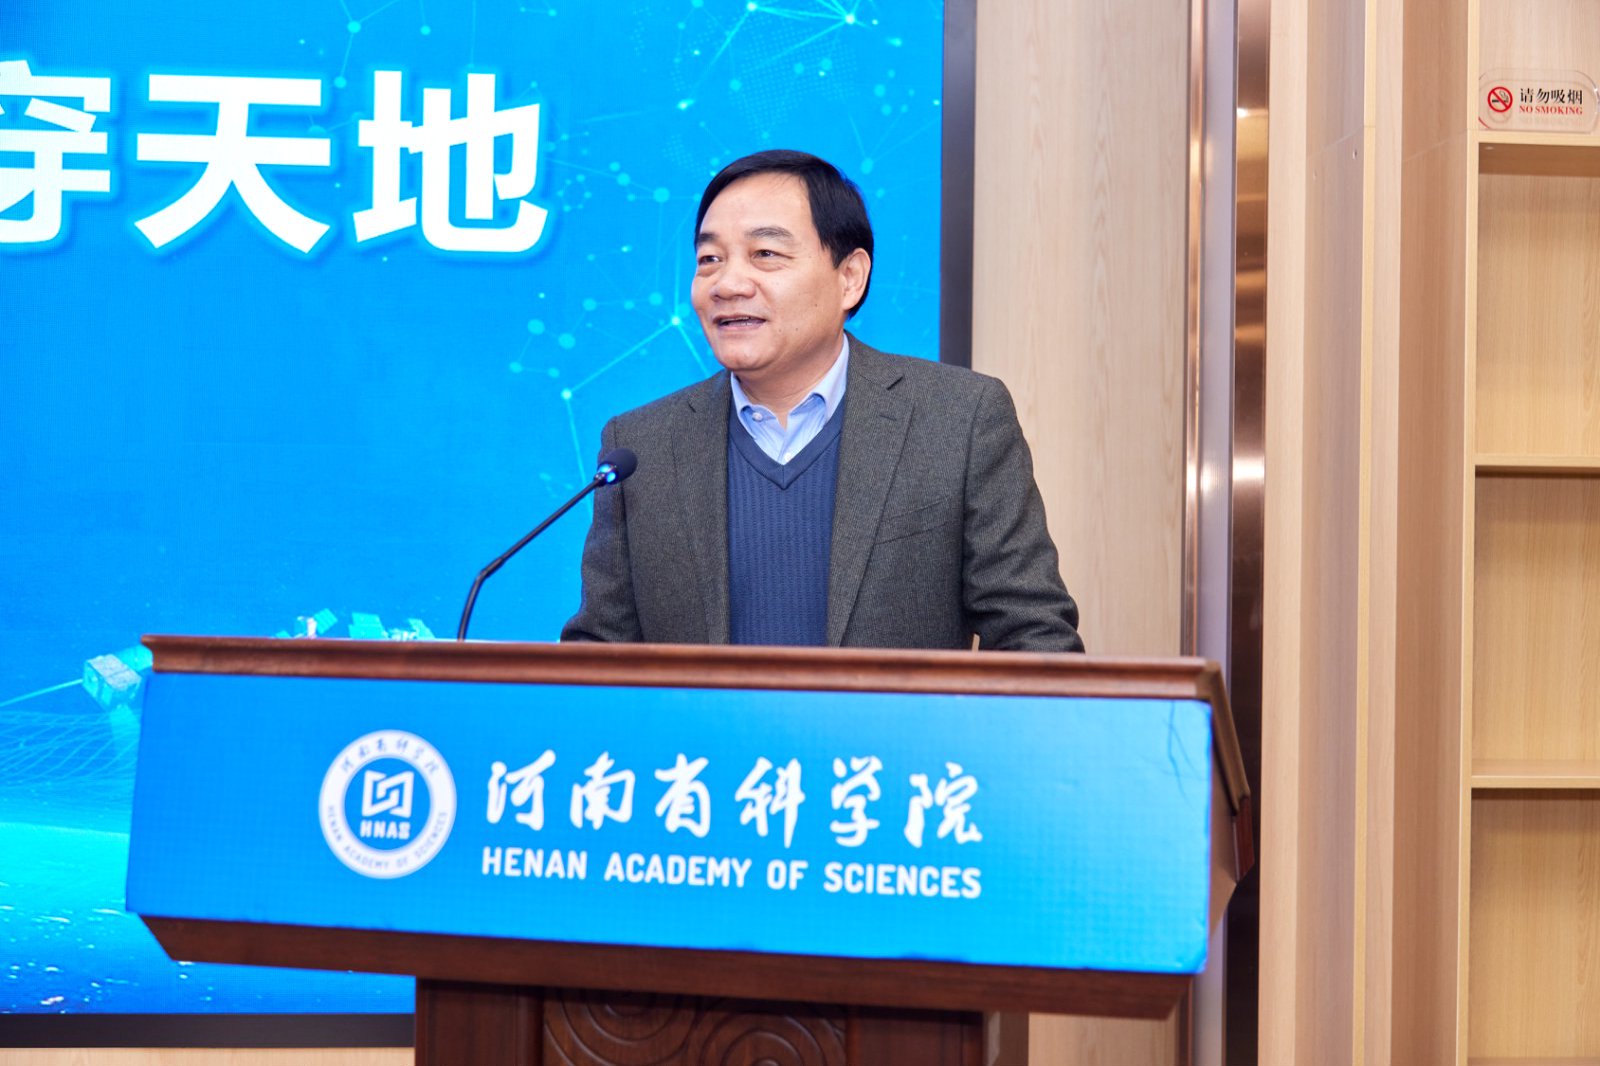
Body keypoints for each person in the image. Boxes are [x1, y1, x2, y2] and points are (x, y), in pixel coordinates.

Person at [562, 149, 1083, 652]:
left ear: (850, 278)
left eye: (765, 254)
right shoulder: (642, 446)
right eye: (709, 259)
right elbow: (598, 659)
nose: (728, 283)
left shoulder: (958, 420)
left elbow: (1035, 640)